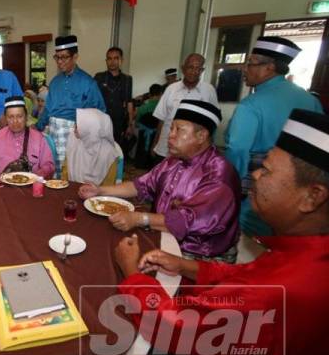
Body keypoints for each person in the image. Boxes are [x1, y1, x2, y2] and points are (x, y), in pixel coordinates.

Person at [114, 109, 329, 355]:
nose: (255, 174)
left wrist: (132, 273)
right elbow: (245, 276)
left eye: (267, 169)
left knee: (119, 350)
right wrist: (185, 265)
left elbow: (171, 327)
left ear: (312, 197)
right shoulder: (304, 254)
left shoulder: (287, 286)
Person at [79, 100, 240, 261]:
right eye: (171, 128)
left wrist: (139, 218)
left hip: (198, 254)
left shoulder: (219, 174)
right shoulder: (173, 161)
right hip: (161, 234)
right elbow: (140, 185)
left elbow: (185, 221)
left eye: (179, 130)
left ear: (201, 136)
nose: (170, 135)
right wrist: (100, 190)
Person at [224, 36, 324, 237]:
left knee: (251, 244)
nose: (245, 69)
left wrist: (230, 191)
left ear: (269, 67)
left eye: (250, 63)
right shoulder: (310, 100)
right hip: (303, 194)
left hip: (262, 191)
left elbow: (238, 151)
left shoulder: (251, 105)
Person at [36, 35, 106, 176]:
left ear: (75, 57)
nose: (60, 62)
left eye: (64, 57)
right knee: (51, 171)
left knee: (71, 172)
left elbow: (100, 112)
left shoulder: (88, 83)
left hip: (75, 135)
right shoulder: (55, 82)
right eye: (57, 57)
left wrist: (84, 126)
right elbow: (48, 109)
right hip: (53, 133)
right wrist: (37, 127)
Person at [151, 54, 218, 164]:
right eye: (190, 67)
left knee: (187, 180)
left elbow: (212, 124)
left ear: (202, 70)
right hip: (166, 148)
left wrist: (208, 149)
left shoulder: (209, 91)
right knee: (161, 179)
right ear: (183, 68)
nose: (194, 71)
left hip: (192, 152)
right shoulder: (171, 89)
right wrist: (155, 144)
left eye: (198, 68)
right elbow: (162, 119)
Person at [0, 96, 54, 179]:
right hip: (3, 188)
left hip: (31, 187)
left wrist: (35, 177)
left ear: (26, 117)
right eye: (11, 117)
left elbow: (49, 165)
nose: (15, 121)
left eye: (20, 116)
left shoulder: (38, 138)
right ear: (6, 118)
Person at [63, 108, 121, 186]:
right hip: (72, 190)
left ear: (91, 128)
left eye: (78, 125)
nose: (74, 127)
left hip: (99, 195)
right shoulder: (73, 141)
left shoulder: (108, 154)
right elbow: (65, 172)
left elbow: (108, 186)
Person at [94, 47, 133, 146]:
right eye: (109, 58)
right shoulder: (99, 77)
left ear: (121, 60)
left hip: (119, 123)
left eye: (116, 58)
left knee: (116, 152)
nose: (112, 61)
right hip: (101, 122)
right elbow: (92, 99)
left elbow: (129, 103)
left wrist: (130, 124)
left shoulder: (127, 79)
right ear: (106, 61)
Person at [134, 84, 163, 169]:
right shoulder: (162, 108)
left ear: (149, 94)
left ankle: (139, 164)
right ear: (161, 94)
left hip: (143, 133)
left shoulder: (142, 108)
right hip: (157, 133)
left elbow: (136, 123)